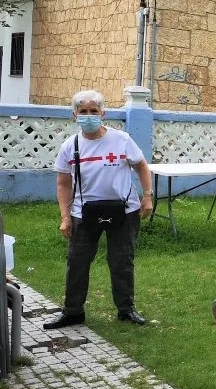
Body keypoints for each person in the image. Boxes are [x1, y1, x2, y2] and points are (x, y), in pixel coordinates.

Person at [45, 90, 153, 329]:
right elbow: (64, 184)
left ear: (103, 113)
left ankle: (126, 310)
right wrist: (65, 217)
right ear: (74, 115)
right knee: (77, 261)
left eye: (94, 111)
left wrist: (147, 197)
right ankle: (73, 311)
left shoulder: (121, 140)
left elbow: (142, 167)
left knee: (122, 261)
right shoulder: (69, 146)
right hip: (84, 214)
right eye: (83, 111)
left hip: (124, 211)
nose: (89, 116)